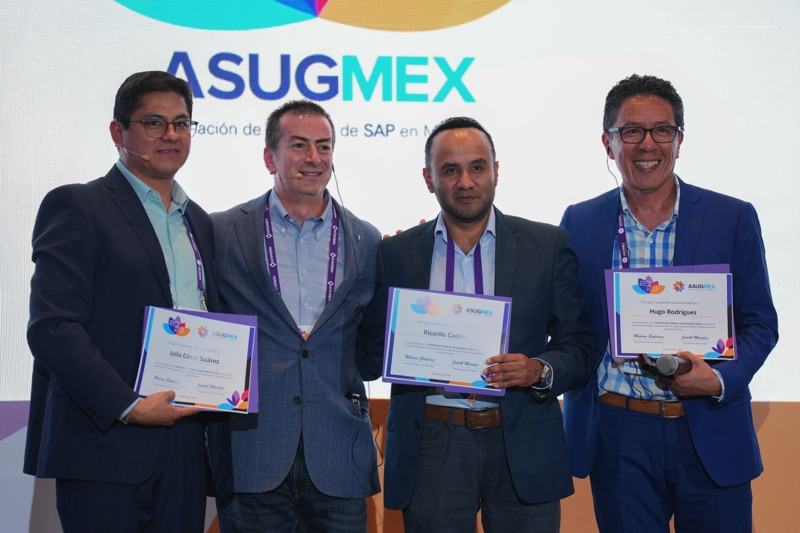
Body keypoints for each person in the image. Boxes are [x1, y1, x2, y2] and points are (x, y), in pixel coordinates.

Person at [560, 74, 779, 532]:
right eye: (631, 131)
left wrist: (719, 379)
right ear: (608, 143)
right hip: (618, 432)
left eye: (662, 130)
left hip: (710, 425)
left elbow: (760, 321)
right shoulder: (579, 221)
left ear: (679, 140)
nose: (647, 144)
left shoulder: (732, 217)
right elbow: (566, 323)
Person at [359, 117, 595, 533]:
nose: (465, 181)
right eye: (450, 170)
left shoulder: (546, 245)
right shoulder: (395, 254)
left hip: (521, 441)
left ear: (496, 171)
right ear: (429, 179)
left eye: (477, 167)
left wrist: (538, 370)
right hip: (432, 442)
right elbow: (370, 357)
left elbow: (579, 344)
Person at [23, 71, 232, 532]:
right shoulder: (78, 205)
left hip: (185, 446)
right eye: (154, 122)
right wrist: (129, 405)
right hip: (106, 443)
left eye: (182, 123)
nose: (171, 134)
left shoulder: (199, 222)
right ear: (118, 132)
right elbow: (52, 327)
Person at [212, 100, 381, 533]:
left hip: (339, 453)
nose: (314, 158)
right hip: (253, 451)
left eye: (324, 146)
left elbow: (370, 346)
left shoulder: (367, 239)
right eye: (299, 145)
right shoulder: (222, 231)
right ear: (270, 158)